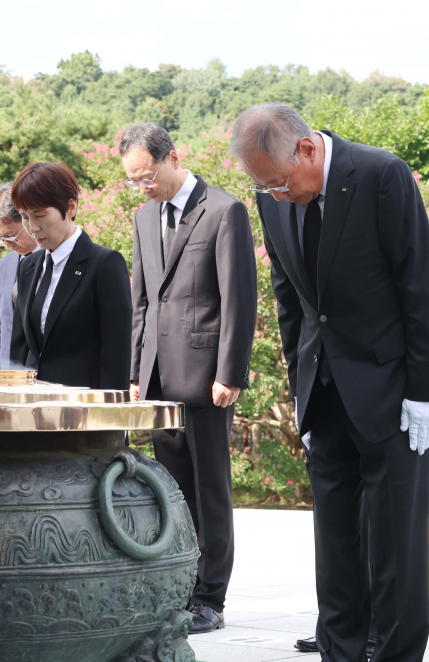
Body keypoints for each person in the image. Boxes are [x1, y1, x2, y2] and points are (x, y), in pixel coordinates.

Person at [231, 103, 429, 662]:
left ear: (306, 151)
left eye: (277, 181)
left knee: (394, 537)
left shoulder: (381, 173)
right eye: (262, 186)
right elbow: (289, 298)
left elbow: (419, 283)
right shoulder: (273, 196)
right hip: (324, 388)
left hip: (390, 387)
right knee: (334, 539)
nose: (274, 194)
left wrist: (423, 390)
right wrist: (299, 389)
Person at [122, 123, 257, 634]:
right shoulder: (144, 217)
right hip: (157, 378)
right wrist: (136, 372)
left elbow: (239, 299)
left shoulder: (224, 211)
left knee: (209, 490)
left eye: (147, 175)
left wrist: (230, 372)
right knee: (172, 492)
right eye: (133, 180)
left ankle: (210, 597)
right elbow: (142, 302)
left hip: (206, 379)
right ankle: (179, 587)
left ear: (172, 158)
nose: (143, 186)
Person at [8, 162, 133, 390]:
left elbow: (117, 353)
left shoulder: (105, 264)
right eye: (25, 217)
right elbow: (19, 349)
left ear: (71, 207)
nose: (32, 227)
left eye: (41, 215)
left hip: (83, 411)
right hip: (32, 409)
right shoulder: (28, 267)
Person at [0, 182, 37, 369]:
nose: (6, 244)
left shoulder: (55, 260)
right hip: (7, 379)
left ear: (28, 219)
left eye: (10, 236)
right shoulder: (4, 266)